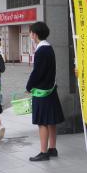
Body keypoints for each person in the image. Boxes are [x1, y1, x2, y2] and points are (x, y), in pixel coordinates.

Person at [26, 22, 65, 162]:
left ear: (34, 34)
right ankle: (52, 148)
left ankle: (43, 152)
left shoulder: (41, 50)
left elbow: (37, 73)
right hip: (51, 89)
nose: (30, 35)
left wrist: (28, 86)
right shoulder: (49, 48)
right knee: (51, 121)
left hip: (42, 92)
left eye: (30, 32)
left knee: (42, 122)